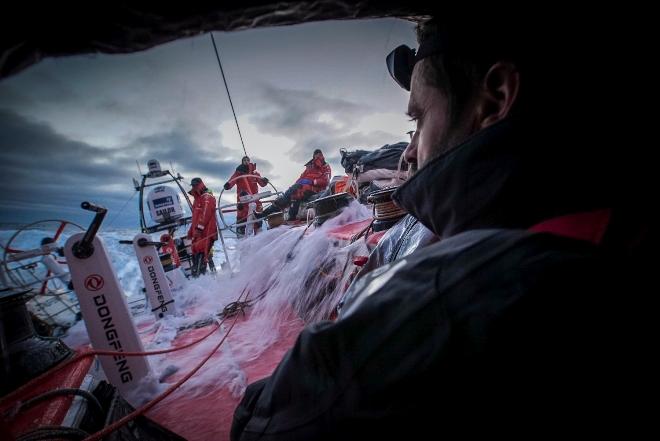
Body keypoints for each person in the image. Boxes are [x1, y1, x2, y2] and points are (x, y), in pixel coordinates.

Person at [231, 14, 644, 441]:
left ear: (495, 98)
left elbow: (259, 426)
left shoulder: (444, 294)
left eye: (420, 121)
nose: (408, 153)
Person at [258, 149, 331, 220]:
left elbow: (326, 181)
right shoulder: (309, 168)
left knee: (292, 196)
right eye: (316, 155)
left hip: (312, 190)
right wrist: (299, 183)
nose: (317, 156)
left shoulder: (325, 166)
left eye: (319, 154)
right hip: (301, 188)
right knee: (287, 197)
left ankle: (290, 215)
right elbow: (300, 178)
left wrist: (313, 182)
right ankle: (263, 214)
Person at [224, 156, 269, 235]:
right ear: (242, 162)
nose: (246, 161)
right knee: (241, 219)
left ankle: (258, 237)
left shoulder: (255, 174)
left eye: (247, 160)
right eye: (244, 160)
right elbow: (232, 180)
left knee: (257, 221)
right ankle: (240, 238)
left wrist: (265, 181)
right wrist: (228, 185)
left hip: (255, 200)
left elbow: (262, 184)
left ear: (250, 161)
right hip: (242, 202)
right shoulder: (238, 173)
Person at [187, 177, 217, 276]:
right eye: (193, 186)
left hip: (206, 233)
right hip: (198, 235)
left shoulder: (207, 197)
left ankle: (202, 283)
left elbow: (206, 213)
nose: (194, 188)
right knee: (195, 258)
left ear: (200, 185)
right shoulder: (197, 200)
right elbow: (195, 218)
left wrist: (199, 228)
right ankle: (199, 282)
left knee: (202, 259)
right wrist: (191, 231)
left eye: (196, 185)